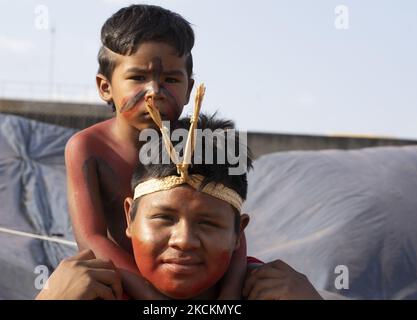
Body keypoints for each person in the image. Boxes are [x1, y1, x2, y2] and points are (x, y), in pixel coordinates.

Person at [64, 4, 244, 299]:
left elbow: (233, 224)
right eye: (137, 78)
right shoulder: (87, 148)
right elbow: (91, 237)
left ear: (189, 90)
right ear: (105, 87)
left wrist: (231, 294)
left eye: (171, 80)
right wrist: (151, 299)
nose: (154, 92)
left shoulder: (208, 141)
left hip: (200, 277)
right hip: (125, 278)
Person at [37, 114, 322, 300]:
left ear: (238, 233)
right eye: (163, 218)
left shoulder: (273, 293)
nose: (184, 241)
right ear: (129, 217)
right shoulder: (88, 292)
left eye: (208, 223)